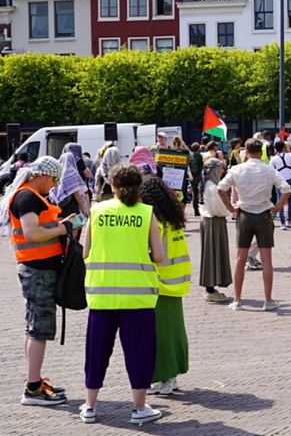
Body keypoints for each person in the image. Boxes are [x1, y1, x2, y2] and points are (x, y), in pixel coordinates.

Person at [81, 163, 165, 424]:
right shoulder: (147, 213)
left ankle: (90, 406)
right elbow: (159, 257)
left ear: (111, 185)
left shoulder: (97, 211)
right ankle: (139, 409)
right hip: (138, 296)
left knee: (96, 353)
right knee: (139, 352)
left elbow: (85, 252)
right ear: (139, 185)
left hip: (102, 293)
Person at [0, 157, 70, 406]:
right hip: (38, 270)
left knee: (33, 326)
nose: (53, 185)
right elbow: (32, 233)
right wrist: (62, 230)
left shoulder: (27, 195)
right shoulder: (27, 197)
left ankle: (35, 381)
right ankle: (32, 388)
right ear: (41, 175)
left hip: (36, 268)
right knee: (39, 328)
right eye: (53, 179)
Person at [217, 139, 291, 312]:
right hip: (264, 215)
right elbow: (286, 189)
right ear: (261, 151)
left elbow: (221, 189)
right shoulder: (268, 169)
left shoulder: (237, 169)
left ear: (246, 152)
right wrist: (277, 207)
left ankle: (237, 300)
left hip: (244, 214)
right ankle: (268, 300)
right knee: (266, 260)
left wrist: (230, 208)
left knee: (240, 259)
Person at [140, 176, 190, 397]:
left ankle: (164, 378)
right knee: (173, 332)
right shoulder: (173, 217)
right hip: (177, 279)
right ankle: (172, 375)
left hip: (160, 282)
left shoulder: (155, 220)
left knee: (159, 334)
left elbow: (152, 252)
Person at [198, 158, 232, 302]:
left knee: (211, 254)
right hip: (214, 222)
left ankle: (211, 288)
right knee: (213, 254)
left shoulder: (207, 184)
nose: (223, 171)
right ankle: (210, 290)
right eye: (220, 169)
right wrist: (231, 209)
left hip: (210, 222)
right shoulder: (212, 187)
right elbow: (219, 209)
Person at [50, 151, 90, 222]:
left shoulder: (57, 173)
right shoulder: (72, 174)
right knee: (73, 224)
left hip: (60, 204)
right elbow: (75, 192)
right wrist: (83, 206)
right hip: (71, 204)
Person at [270, 141, 291, 230]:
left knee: (280, 201)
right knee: (290, 201)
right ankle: (289, 220)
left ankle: (282, 223)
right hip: (290, 179)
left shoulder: (274, 159)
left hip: (279, 181)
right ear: (284, 148)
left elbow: (271, 171)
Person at [189, 143, 203, 217]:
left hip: (192, 176)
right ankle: (201, 208)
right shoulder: (200, 156)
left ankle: (196, 210)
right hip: (199, 176)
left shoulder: (190, 156)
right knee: (201, 192)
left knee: (194, 193)